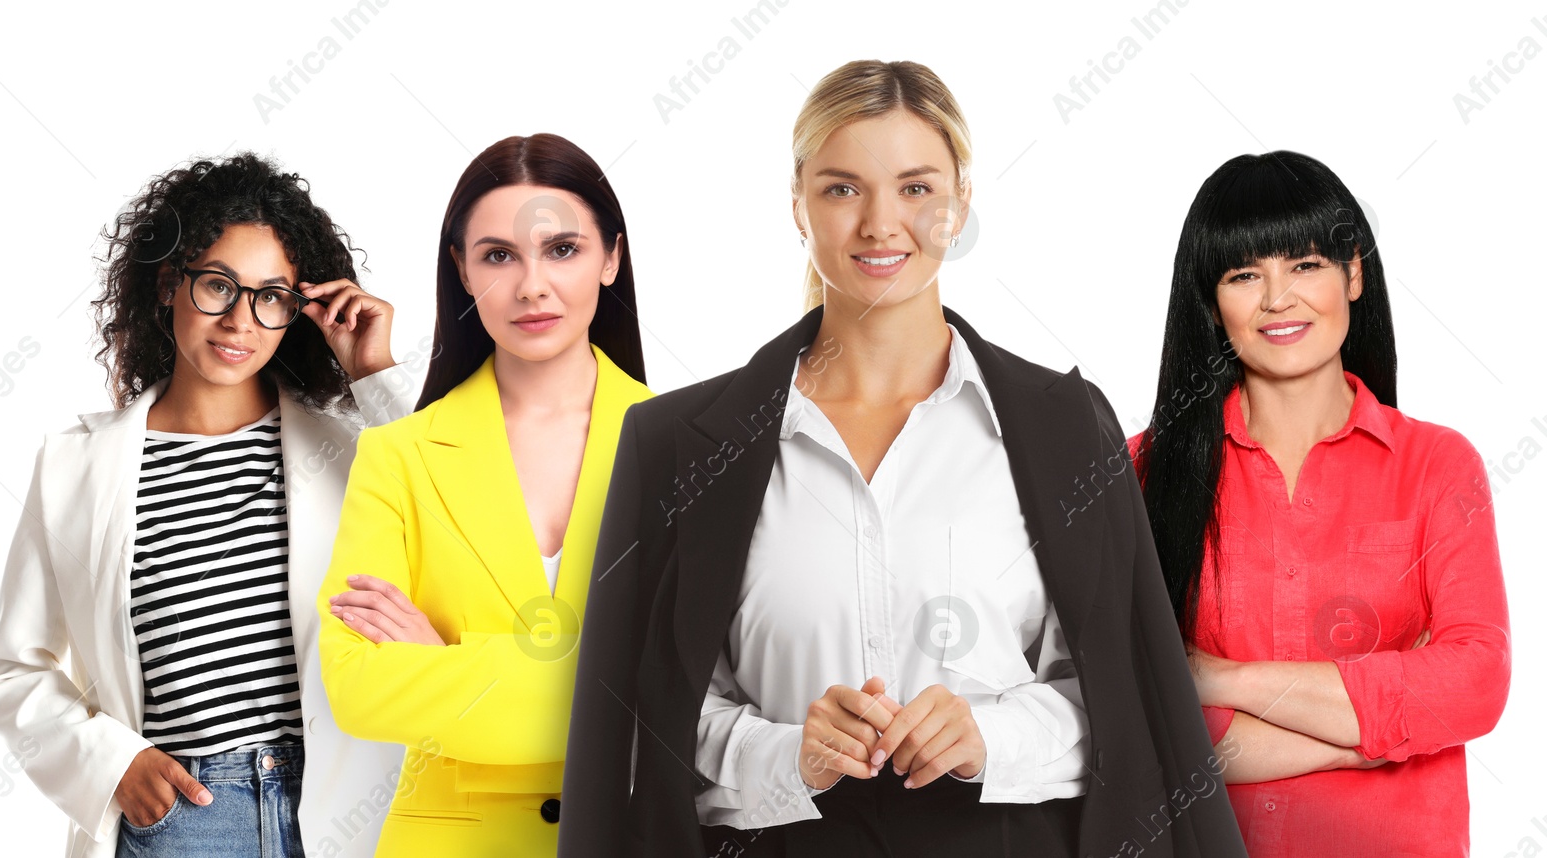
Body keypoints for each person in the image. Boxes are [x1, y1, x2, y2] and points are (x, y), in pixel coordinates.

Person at [558, 59, 1246, 857]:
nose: (882, 224)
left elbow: (1125, 702)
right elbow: (649, 719)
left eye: (916, 188)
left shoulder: (1065, 427)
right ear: (798, 205)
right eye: (843, 188)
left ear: (959, 205)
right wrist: (792, 755)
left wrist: (988, 734)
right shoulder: (674, 442)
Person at [0, 152, 416, 858]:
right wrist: (110, 763)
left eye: (271, 296)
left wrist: (375, 374)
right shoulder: (75, 467)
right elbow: (11, 669)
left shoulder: (352, 450)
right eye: (218, 286)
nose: (241, 321)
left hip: (341, 808)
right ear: (167, 285)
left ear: (297, 308)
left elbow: (468, 514)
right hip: (183, 817)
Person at [1131, 150, 1509, 857]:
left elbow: (1475, 682)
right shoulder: (1142, 470)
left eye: (1304, 264)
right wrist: (1371, 737)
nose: (1278, 299)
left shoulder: (1436, 466)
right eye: (1245, 275)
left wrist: (1222, 679)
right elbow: (1126, 709)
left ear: (1353, 273)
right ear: (1212, 304)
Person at [315, 133, 651, 857]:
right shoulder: (398, 455)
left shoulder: (687, 445)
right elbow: (358, 689)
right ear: (463, 272)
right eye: (499, 255)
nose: (532, 285)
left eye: (562, 249)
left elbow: (704, 686)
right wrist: (607, 681)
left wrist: (443, 665)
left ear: (611, 258)